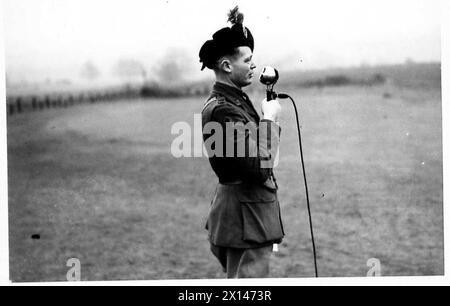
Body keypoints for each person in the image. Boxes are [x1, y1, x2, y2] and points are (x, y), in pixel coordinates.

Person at [199, 6, 285, 278]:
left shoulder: (232, 101)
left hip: (244, 217)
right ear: (226, 65)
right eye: (247, 60)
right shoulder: (224, 109)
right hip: (245, 221)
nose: (253, 65)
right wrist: (269, 120)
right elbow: (259, 167)